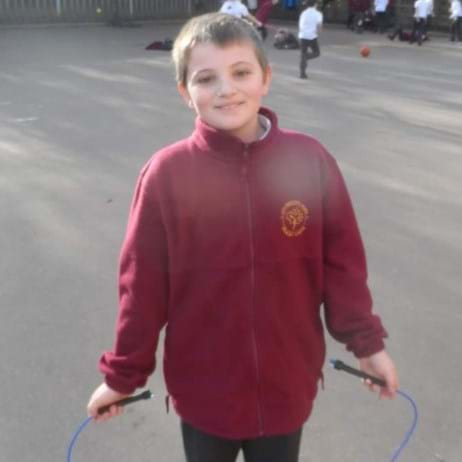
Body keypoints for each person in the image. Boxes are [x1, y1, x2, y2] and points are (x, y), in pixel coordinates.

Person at [86, 12, 399, 462]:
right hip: (203, 392)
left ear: (266, 79)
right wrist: (121, 377)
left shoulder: (309, 161)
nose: (225, 89)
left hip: (287, 386)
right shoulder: (166, 175)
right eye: (206, 78)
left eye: (240, 73)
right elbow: (143, 285)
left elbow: (343, 266)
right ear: (185, 93)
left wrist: (367, 346)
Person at [298, 0, 323, 79]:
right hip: (312, 36)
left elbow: (301, 26)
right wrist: (318, 32)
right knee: (316, 53)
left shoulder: (303, 13)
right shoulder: (318, 14)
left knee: (303, 54)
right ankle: (307, 56)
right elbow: (319, 26)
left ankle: (302, 73)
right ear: (315, 4)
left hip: (303, 36)